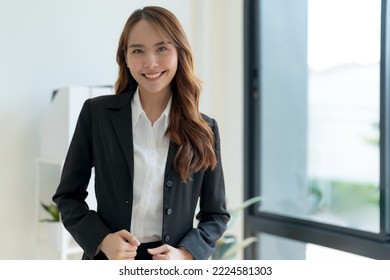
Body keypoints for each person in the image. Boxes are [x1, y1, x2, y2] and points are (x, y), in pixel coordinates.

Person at [52, 5, 230, 260]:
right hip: (109, 259)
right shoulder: (97, 114)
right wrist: (103, 240)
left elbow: (216, 215)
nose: (150, 62)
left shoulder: (204, 129)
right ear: (124, 57)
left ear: (179, 53)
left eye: (162, 48)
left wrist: (185, 255)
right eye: (138, 50)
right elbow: (67, 196)